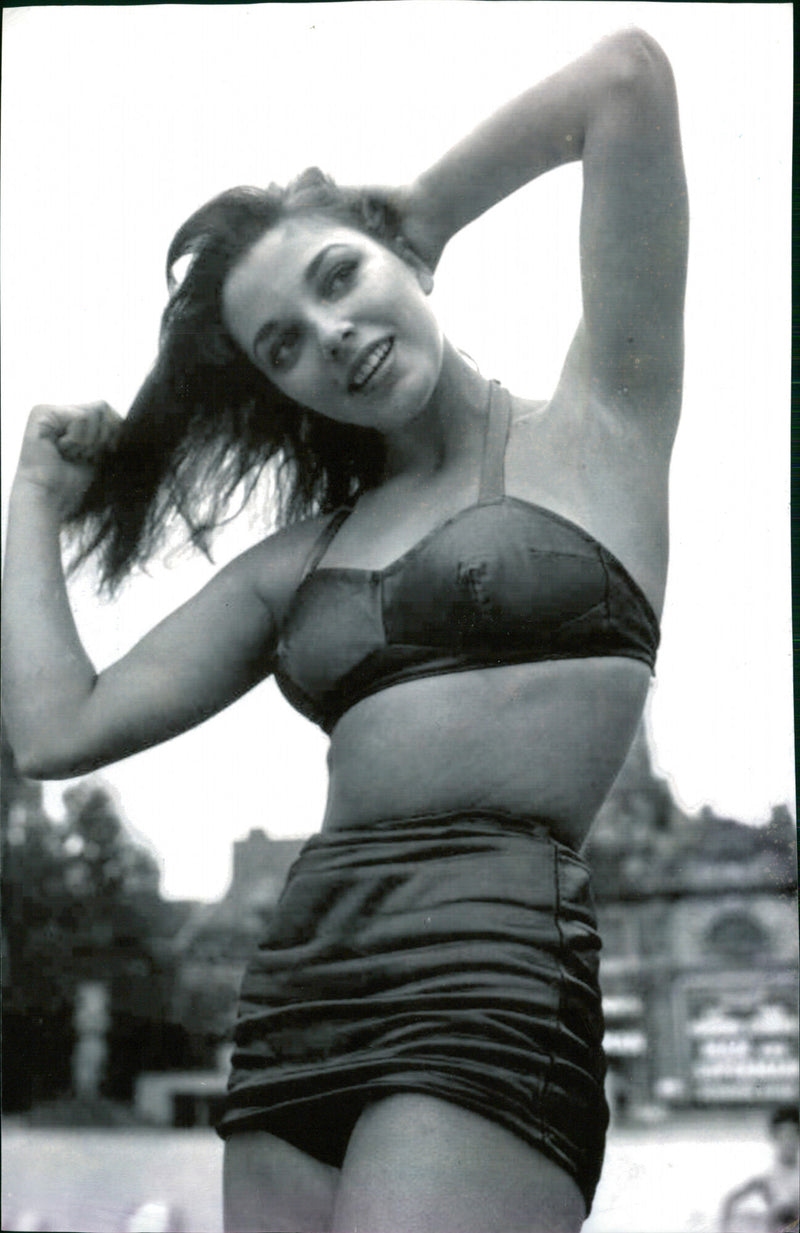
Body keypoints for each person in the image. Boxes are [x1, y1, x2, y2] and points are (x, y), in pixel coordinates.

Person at [2, 27, 687, 1233]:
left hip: (491, 967)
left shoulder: (600, 425)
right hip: (302, 991)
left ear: (393, 258)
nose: (332, 337)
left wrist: (420, 204)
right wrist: (33, 504)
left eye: (337, 279)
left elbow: (625, 79)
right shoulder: (302, 558)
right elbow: (57, 728)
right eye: (284, 346)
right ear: (284, 390)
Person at [719, 1106, 800, 1233]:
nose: (789, 1142)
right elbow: (730, 1201)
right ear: (775, 1138)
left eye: (793, 1135)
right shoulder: (766, 1177)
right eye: (784, 1136)